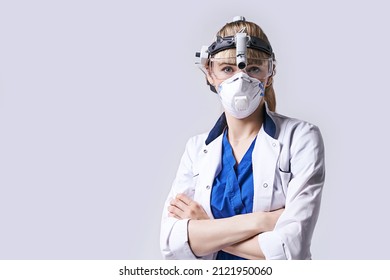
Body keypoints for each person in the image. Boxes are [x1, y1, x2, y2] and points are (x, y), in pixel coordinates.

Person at [160, 16, 325, 260]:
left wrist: (206, 228)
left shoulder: (300, 138)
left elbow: (292, 251)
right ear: (210, 73)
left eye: (253, 69)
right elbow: (172, 245)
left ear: (269, 74)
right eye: (227, 69)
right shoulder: (196, 149)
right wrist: (262, 221)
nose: (241, 80)